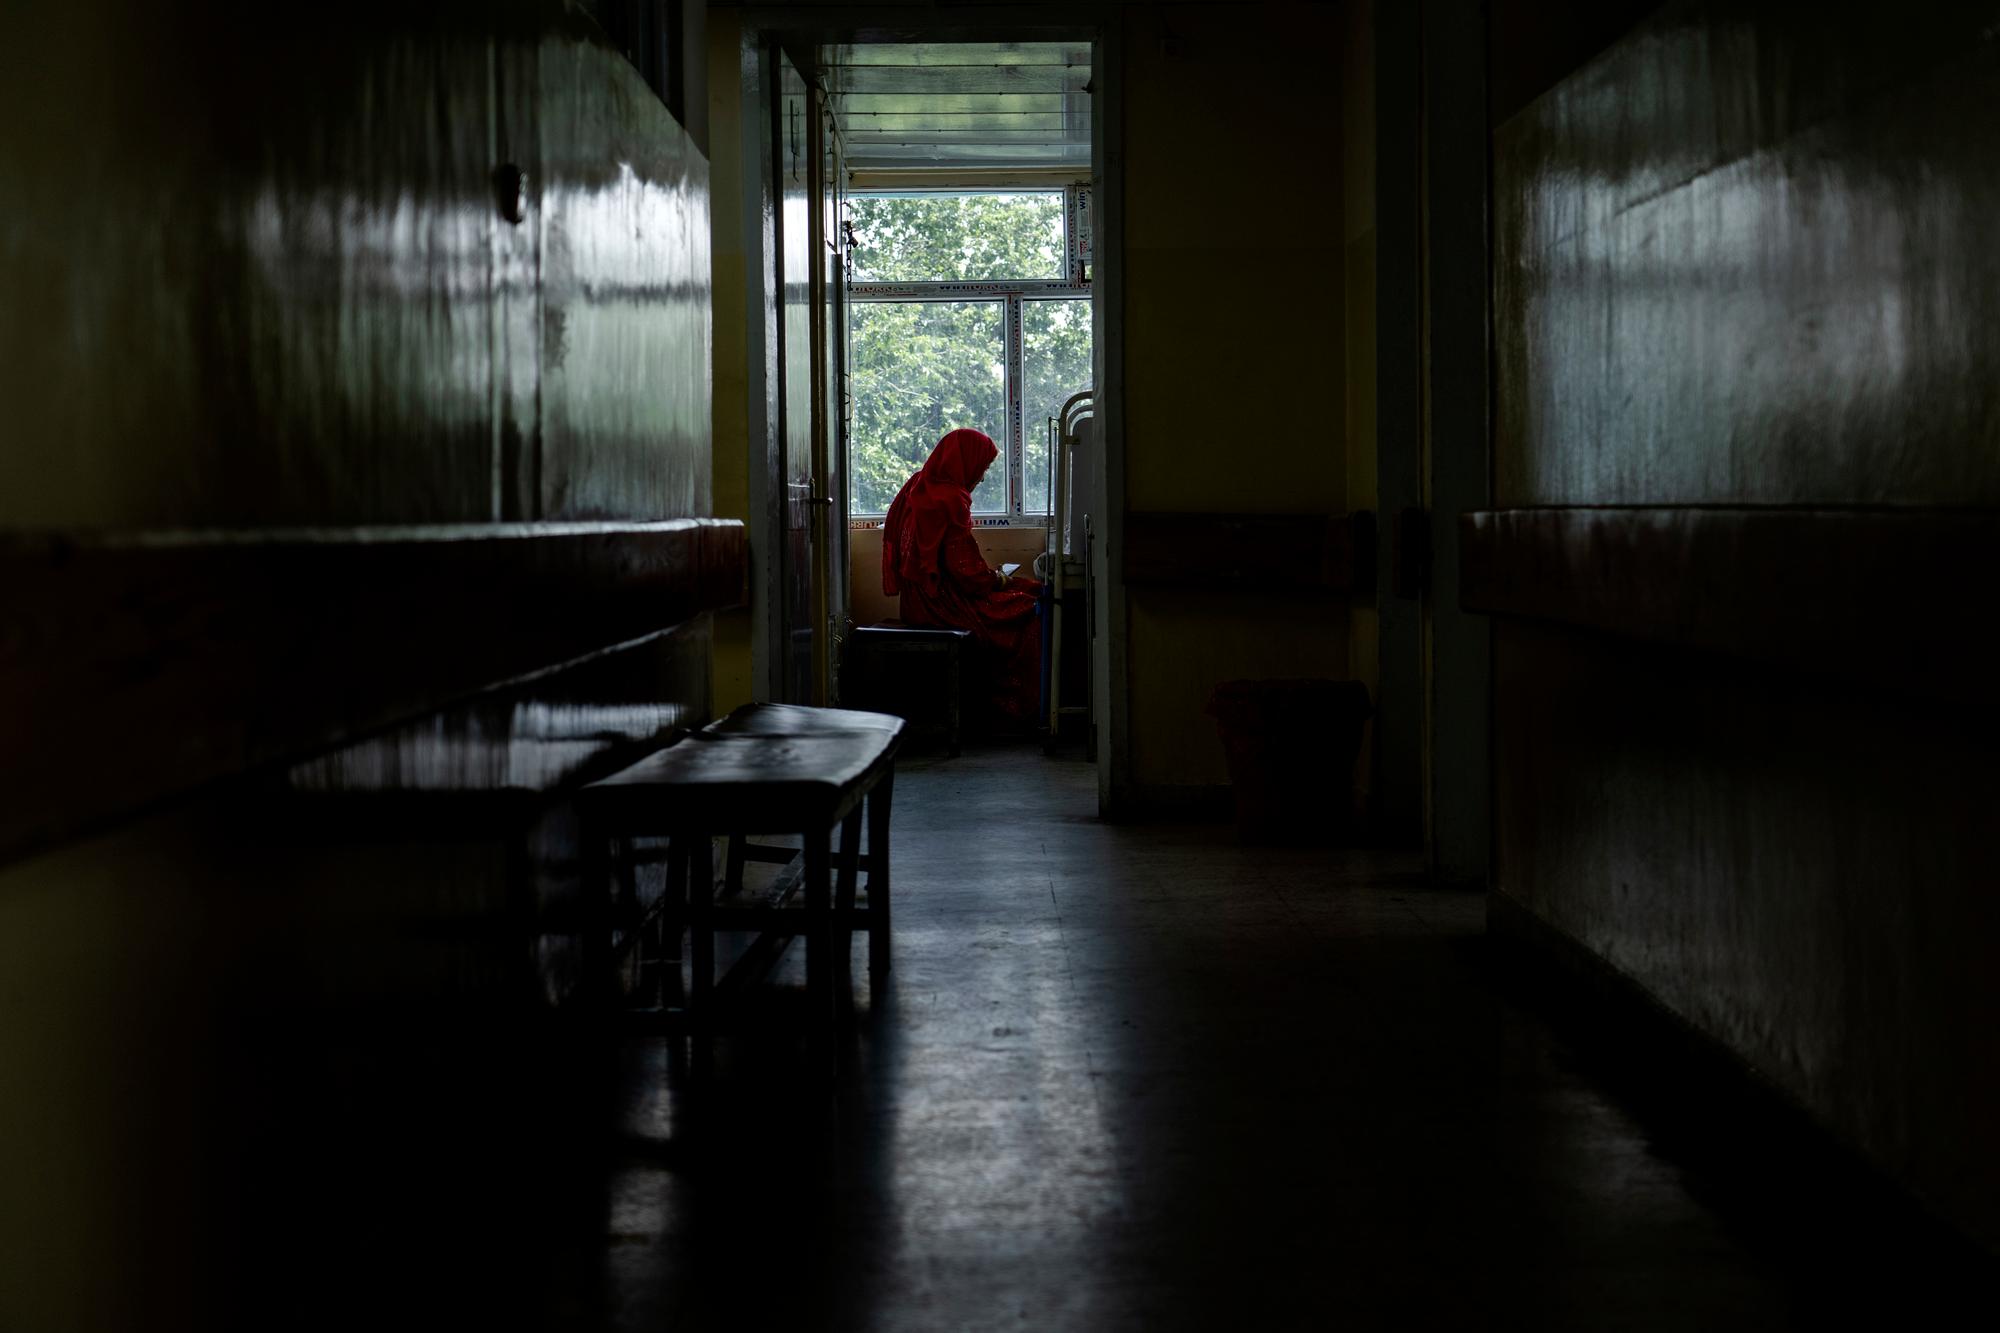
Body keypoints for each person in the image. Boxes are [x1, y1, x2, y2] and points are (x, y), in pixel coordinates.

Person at [882, 427, 1043, 727]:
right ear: (965, 462)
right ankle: (1014, 711)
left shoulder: (916, 486)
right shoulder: (951, 499)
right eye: (982, 467)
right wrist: (999, 579)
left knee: (1026, 592)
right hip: (943, 605)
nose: (981, 477)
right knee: (1033, 605)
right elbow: (967, 572)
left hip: (916, 602)